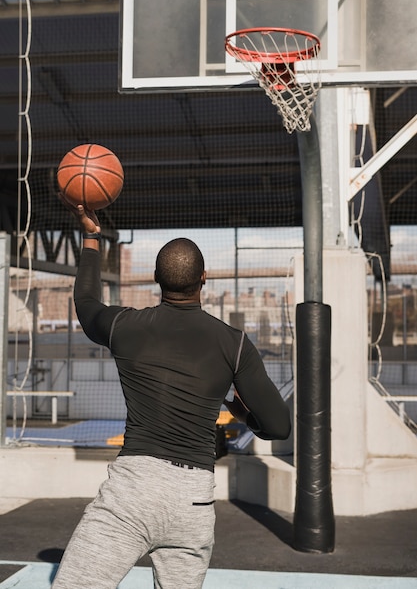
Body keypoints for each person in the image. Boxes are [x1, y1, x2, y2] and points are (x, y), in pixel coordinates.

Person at [52, 201, 291, 589]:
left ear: (155, 279)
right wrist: (244, 415)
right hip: (193, 499)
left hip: (131, 492)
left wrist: (92, 238)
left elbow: (86, 304)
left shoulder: (125, 327)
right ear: (204, 278)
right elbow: (279, 426)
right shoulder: (234, 344)